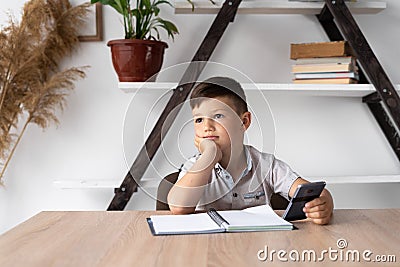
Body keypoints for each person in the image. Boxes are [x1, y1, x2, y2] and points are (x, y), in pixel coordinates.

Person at [167, 77, 333, 225]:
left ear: (244, 121)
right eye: (199, 119)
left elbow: (313, 192)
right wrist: (209, 156)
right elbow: (178, 207)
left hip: (256, 247)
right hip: (208, 249)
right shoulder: (194, 166)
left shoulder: (267, 165)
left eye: (218, 116)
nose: (207, 127)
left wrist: (325, 202)